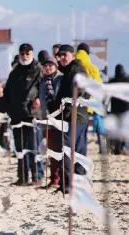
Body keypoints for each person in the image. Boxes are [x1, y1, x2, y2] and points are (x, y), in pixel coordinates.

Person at [2, 43, 44, 186]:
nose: (25, 56)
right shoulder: (15, 72)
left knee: (33, 146)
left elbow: (44, 88)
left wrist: (39, 99)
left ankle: (37, 176)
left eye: (28, 54)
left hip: (33, 114)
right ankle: (23, 177)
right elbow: (7, 92)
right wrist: (8, 110)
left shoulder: (38, 69)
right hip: (17, 115)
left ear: (32, 54)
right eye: (22, 54)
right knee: (19, 148)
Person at [53, 44, 90, 194]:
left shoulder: (75, 70)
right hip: (79, 115)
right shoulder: (69, 70)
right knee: (79, 150)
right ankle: (77, 183)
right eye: (59, 55)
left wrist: (68, 103)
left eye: (65, 55)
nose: (62, 58)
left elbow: (81, 89)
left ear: (72, 55)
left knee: (68, 150)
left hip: (73, 115)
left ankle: (68, 185)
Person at [38, 57, 63, 188]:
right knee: (51, 151)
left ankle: (61, 178)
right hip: (47, 121)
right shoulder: (43, 82)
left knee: (61, 150)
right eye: (45, 66)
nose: (48, 68)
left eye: (50, 65)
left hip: (60, 120)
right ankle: (54, 178)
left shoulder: (61, 79)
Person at [75, 47, 106, 154]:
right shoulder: (93, 68)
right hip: (89, 105)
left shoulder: (73, 66)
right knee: (83, 134)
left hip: (74, 104)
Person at [108, 64, 129, 155]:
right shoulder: (127, 80)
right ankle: (124, 146)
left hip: (115, 109)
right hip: (126, 108)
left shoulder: (112, 81)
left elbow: (107, 95)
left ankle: (117, 148)